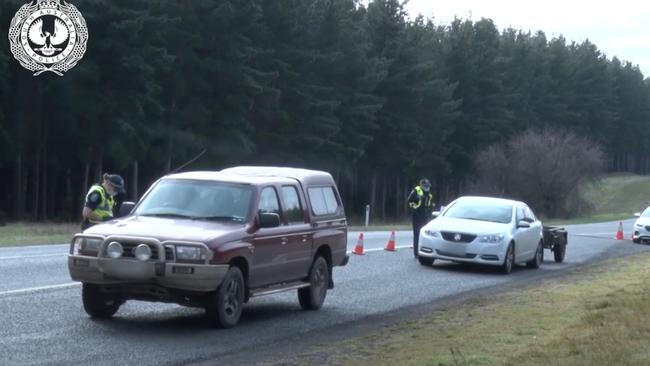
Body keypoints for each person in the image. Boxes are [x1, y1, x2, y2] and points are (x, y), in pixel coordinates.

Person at [408, 178, 434, 258]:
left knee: (425, 234)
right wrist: (414, 209)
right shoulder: (416, 190)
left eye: (428, 186)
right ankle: (416, 253)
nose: (427, 187)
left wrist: (430, 213)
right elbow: (409, 201)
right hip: (417, 216)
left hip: (425, 217)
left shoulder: (429, 194)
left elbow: (429, 206)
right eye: (425, 186)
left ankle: (424, 252)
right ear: (422, 185)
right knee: (417, 234)